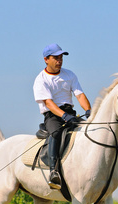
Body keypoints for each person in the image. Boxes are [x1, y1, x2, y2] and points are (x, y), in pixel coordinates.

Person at [33, 43, 91, 190]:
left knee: (88, 131)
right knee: (57, 132)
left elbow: (80, 95)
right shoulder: (41, 79)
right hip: (52, 115)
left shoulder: (69, 75)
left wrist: (89, 110)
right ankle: (54, 171)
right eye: (56, 58)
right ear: (46, 59)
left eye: (61, 57)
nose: (59, 60)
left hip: (69, 113)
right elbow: (48, 103)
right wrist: (63, 116)